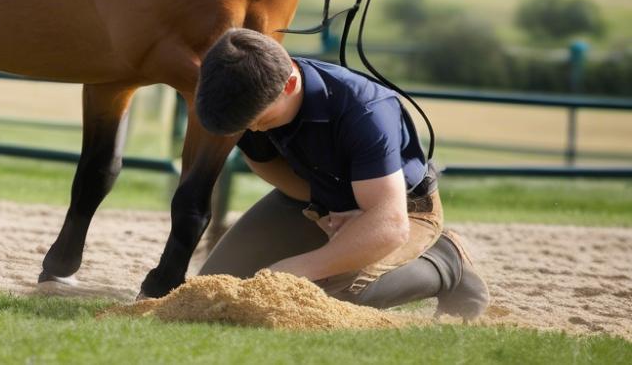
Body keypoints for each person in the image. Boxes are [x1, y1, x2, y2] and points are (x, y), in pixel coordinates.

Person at [193, 28, 489, 318]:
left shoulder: (365, 111)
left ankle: (447, 262)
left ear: (289, 84)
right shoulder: (244, 96)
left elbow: (390, 224)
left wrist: (297, 268)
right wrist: (321, 208)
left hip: (403, 209)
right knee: (208, 288)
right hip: (316, 196)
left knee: (319, 297)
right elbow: (265, 163)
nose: (254, 129)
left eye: (261, 121)